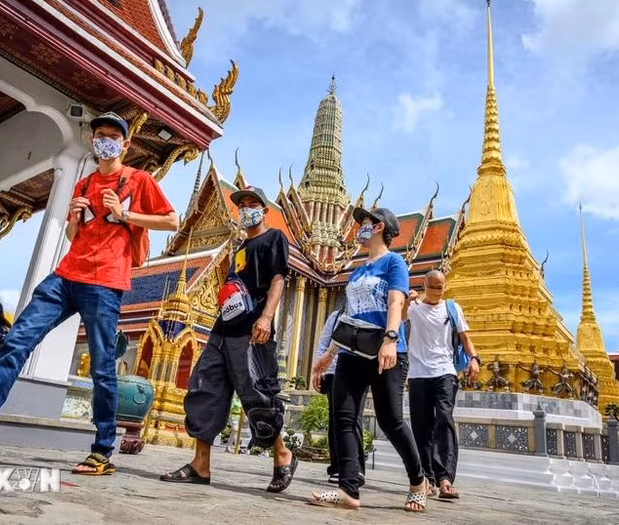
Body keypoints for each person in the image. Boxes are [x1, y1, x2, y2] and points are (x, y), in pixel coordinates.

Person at [0, 112, 178, 475]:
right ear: (92, 141)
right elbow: (74, 238)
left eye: (114, 136)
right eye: (100, 134)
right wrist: (73, 218)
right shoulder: (83, 185)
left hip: (105, 282)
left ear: (126, 144)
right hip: (66, 276)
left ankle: (102, 451)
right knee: (14, 345)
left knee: (102, 368)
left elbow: (171, 220)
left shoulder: (139, 180)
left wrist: (125, 214)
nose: (106, 141)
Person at [160, 186, 297, 492]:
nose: (245, 208)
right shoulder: (239, 247)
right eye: (242, 204)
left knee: (256, 394)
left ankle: (282, 453)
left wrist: (266, 317)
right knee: (204, 388)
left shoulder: (274, 238)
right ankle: (201, 464)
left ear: (263, 210)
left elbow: (277, 279)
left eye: (252, 204)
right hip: (222, 331)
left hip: (252, 331)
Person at [311, 207, 428, 512]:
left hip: (385, 350)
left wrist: (390, 339)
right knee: (344, 416)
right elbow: (350, 317)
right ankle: (348, 489)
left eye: (363, 224)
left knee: (391, 420)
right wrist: (328, 354)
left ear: (378, 227)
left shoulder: (394, 262)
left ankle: (418, 480)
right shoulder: (359, 269)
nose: (358, 229)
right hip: (352, 350)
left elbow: (395, 301)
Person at [404, 270, 480, 499]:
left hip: (445, 372)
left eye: (440, 287)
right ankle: (426, 478)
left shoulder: (452, 308)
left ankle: (445, 478)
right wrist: (407, 300)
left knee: (444, 419)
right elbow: (395, 318)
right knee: (421, 427)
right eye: (433, 287)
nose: (437, 292)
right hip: (418, 374)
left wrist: (474, 359)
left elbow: (465, 337)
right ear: (424, 286)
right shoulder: (414, 309)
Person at [311, 309, 366, 486]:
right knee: (336, 419)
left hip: (359, 369)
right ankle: (337, 467)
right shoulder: (335, 316)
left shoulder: (367, 314)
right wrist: (320, 368)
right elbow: (324, 343)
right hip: (334, 371)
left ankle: (356, 468)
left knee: (354, 418)